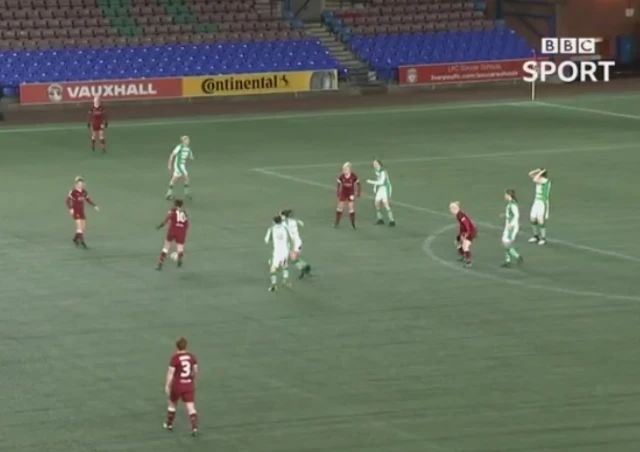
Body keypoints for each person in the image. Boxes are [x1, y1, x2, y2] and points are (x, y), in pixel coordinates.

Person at [164, 336, 199, 436]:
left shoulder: (175, 358)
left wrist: (167, 385)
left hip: (178, 384)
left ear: (176, 346)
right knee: (191, 407)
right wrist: (193, 379)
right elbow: (195, 370)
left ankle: (169, 424)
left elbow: (171, 373)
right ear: (186, 346)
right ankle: (194, 427)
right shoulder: (192, 357)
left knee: (172, 404)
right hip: (189, 384)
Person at [66, 176, 99, 248]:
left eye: (82, 184)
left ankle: (75, 238)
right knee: (79, 226)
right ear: (76, 184)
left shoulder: (84, 192)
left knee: (83, 227)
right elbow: (68, 200)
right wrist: (71, 208)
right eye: (79, 184)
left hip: (81, 211)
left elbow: (88, 199)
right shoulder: (73, 192)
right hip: (76, 211)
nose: (80, 185)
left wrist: (94, 206)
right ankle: (82, 241)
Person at [156, 199, 189, 270]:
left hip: (173, 230)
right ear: (182, 205)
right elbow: (187, 224)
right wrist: (184, 232)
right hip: (181, 232)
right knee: (180, 247)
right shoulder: (184, 213)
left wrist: (160, 225)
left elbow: (166, 219)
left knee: (166, 247)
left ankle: (160, 264)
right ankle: (180, 258)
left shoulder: (172, 211)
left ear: (175, 204)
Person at [281, 209, 311, 278]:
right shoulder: (294, 221)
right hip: (298, 241)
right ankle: (304, 266)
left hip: (292, 242)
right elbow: (302, 223)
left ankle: (303, 267)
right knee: (295, 257)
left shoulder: (283, 224)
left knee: (293, 259)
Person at [265, 215, 292, 291]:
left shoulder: (271, 229)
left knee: (273, 268)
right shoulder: (285, 228)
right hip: (285, 250)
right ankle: (285, 281)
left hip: (277, 252)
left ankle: (274, 285)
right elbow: (290, 238)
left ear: (274, 222)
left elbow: (266, 240)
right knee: (285, 265)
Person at [367, 159, 395, 226]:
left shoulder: (383, 171)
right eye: (373, 164)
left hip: (386, 188)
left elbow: (382, 182)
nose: (374, 165)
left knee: (386, 204)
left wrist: (371, 182)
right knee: (376, 203)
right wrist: (374, 186)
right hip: (381, 188)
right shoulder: (376, 171)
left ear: (379, 164)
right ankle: (380, 219)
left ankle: (392, 221)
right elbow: (378, 179)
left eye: (375, 163)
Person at [166, 136, 194, 200]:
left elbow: (191, 156)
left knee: (174, 179)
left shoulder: (188, 149)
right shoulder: (179, 147)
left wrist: (191, 157)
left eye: (188, 140)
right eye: (186, 140)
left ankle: (168, 194)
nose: (188, 141)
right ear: (183, 141)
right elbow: (172, 155)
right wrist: (169, 164)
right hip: (179, 165)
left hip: (182, 165)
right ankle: (187, 193)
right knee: (186, 178)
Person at [449, 201, 477, 267]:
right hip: (465, 231)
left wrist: (465, 234)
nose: (450, 211)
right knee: (458, 242)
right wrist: (460, 234)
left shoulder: (460, 215)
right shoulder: (458, 214)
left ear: (454, 209)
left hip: (470, 231)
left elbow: (466, 224)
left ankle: (469, 262)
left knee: (465, 246)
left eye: (450, 209)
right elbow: (462, 226)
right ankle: (464, 256)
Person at [528, 168, 551, 245]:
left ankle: (543, 238)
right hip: (536, 201)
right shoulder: (539, 178)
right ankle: (535, 236)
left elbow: (534, 179)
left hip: (542, 202)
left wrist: (540, 172)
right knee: (532, 218)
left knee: (540, 219)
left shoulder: (545, 180)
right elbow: (530, 174)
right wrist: (537, 170)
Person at [501, 189, 523, 267]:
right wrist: (505, 215)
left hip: (511, 227)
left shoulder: (513, 205)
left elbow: (516, 215)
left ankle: (517, 257)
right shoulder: (510, 204)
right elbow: (512, 214)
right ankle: (508, 260)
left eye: (505, 194)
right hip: (508, 226)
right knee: (505, 243)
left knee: (506, 243)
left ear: (508, 195)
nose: (504, 196)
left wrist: (511, 224)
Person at [335, 162, 360, 228]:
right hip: (343, 192)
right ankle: (337, 222)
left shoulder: (353, 176)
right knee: (340, 207)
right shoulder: (342, 176)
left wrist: (358, 192)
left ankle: (353, 224)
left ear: (349, 169)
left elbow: (358, 183)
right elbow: (338, 184)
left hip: (350, 193)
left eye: (345, 169)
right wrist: (338, 192)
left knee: (351, 208)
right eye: (343, 169)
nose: (344, 170)